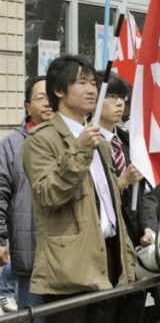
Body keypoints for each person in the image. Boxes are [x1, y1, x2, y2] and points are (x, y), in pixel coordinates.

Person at [22, 55, 136, 323]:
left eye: (94, 83)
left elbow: (108, 206)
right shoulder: (42, 139)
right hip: (70, 265)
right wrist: (80, 149)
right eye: (82, 83)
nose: (92, 90)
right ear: (59, 90)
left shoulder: (102, 143)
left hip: (109, 256)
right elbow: (48, 194)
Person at [95, 71, 160, 322]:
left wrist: (149, 226)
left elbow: (146, 192)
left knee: (133, 308)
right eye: (111, 96)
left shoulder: (127, 140)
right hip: (105, 244)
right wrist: (122, 182)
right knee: (105, 309)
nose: (119, 102)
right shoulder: (85, 144)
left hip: (134, 241)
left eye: (122, 97)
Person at [0, 76, 51, 321]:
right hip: (30, 254)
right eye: (40, 98)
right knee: (33, 316)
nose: (48, 103)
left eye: (52, 97)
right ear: (27, 106)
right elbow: (0, 194)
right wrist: (0, 239)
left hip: (68, 257)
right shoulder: (10, 145)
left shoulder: (72, 141)